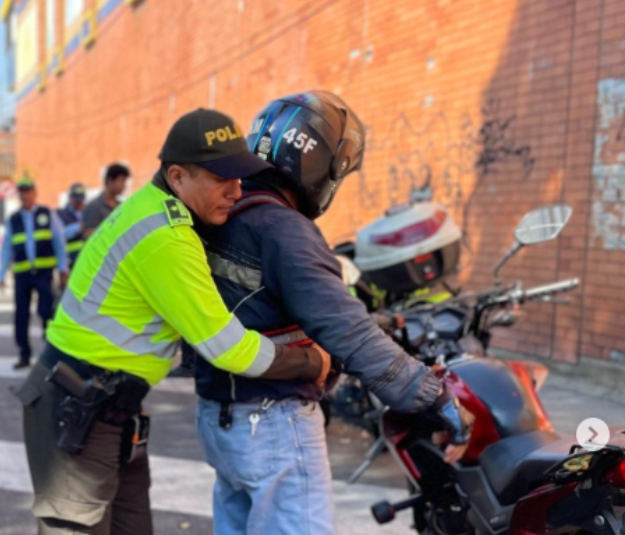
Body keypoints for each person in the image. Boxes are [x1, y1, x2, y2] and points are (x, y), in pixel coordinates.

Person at [17, 109, 332, 535]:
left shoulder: (158, 210)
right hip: (76, 409)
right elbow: (229, 349)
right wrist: (313, 362)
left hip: (108, 406)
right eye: (221, 179)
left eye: (240, 177)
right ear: (178, 177)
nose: (236, 191)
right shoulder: (166, 237)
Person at [194, 91, 472, 535]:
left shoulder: (224, 217)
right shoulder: (284, 228)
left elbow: (267, 310)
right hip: (272, 421)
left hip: (220, 416)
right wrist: (434, 397)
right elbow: (349, 333)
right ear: (320, 164)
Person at [0, 176, 69, 369]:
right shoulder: (14, 219)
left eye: (28, 191)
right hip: (22, 276)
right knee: (21, 316)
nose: (25, 195)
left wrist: (63, 268)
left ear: (34, 193)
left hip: (44, 274)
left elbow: (59, 242)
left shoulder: (47, 214)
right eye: (22, 192)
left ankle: (50, 355)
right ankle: (24, 354)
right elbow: (6, 248)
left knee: (46, 312)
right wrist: (1, 274)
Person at [81, 162, 130, 238]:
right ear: (109, 181)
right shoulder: (93, 207)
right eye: (121, 181)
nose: (124, 185)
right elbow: (89, 236)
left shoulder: (121, 206)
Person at [57, 183, 87, 267]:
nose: (79, 203)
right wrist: (78, 227)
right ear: (70, 198)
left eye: (81, 200)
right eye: (77, 200)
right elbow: (60, 234)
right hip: (71, 261)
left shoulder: (87, 212)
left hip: (87, 258)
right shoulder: (61, 214)